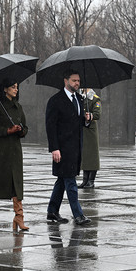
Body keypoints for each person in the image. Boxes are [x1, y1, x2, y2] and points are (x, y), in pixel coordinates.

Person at [45, 68, 91, 226]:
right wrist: (54, 148)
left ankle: (52, 211)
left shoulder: (79, 98)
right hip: (62, 148)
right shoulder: (55, 100)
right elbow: (50, 126)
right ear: (66, 81)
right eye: (74, 81)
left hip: (75, 148)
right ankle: (78, 215)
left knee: (62, 180)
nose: (77, 83)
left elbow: (77, 122)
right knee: (70, 182)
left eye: (78, 81)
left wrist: (86, 120)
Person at [0, 78, 29, 231]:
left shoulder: (18, 106)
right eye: (13, 87)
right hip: (0, 150)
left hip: (14, 149)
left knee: (16, 182)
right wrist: (7, 130)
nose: (16, 89)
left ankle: (19, 216)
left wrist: (21, 131)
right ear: (5, 89)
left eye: (17, 87)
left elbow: (25, 126)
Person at [79, 88, 101, 189]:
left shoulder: (95, 99)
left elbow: (97, 114)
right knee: (85, 155)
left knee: (92, 155)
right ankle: (85, 180)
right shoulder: (80, 97)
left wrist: (90, 116)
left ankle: (91, 181)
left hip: (91, 130)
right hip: (83, 129)